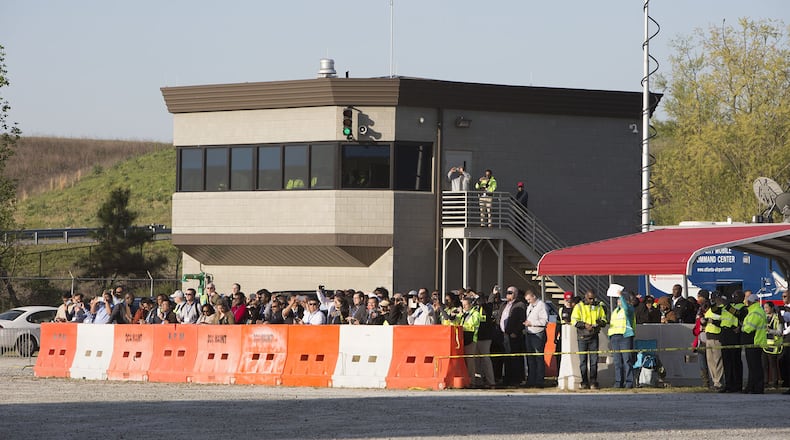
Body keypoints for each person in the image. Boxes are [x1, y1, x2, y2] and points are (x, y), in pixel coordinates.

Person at [571, 289, 607, 390]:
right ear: (586, 296)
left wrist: (599, 322)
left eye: (593, 298)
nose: (592, 300)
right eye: (590, 298)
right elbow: (574, 321)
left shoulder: (598, 306)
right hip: (582, 336)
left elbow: (604, 320)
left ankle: (593, 381)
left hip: (594, 335)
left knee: (594, 361)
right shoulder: (579, 306)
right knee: (583, 361)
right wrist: (584, 325)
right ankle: (584, 382)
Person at [608, 286, 636, 389]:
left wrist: (621, 295)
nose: (619, 301)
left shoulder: (629, 309)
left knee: (627, 360)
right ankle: (618, 382)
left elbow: (626, 307)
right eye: (618, 299)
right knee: (617, 361)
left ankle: (629, 382)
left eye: (620, 299)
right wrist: (610, 336)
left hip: (625, 336)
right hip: (615, 337)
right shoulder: (615, 311)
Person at [498, 286, 525, 387]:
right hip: (503, 334)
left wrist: (516, 332)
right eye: (507, 292)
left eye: (511, 292)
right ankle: (507, 378)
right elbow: (500, 317)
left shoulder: (520, 305)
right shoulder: (504, 305)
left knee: (514, 358)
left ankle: (516, 379)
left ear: (516, 294)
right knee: (506, 358)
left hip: (513, 335)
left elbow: (521, 320)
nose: (508, 294)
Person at [720, 290, 746, 393]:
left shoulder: (743, 307)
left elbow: (739, 315)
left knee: (735, 361)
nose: (734, 297)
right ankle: (728, 384)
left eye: (736, 296)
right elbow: (719, 314)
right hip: (725, 334)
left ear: (742, 297)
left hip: (734, 334)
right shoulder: (728, 306)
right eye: (733, 295)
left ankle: (737, 385)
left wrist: (727, 306)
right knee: (726, 361)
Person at [741, 292, 767, 394]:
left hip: (755, 341)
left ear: (750, 302)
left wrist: (742, 327)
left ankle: (757, 388)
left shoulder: (755, 312)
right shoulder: (756, 311)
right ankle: (751, 387)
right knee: (752, 366)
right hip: (755, 341)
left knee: (755, 367)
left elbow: (749, 328)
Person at [523, 289, 548, 388]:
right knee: (530, 358)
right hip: (529, 333)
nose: (528, 301)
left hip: (538, 334)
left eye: (529, 299)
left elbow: (544, 321)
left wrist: (532, 323)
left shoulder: (541, 305)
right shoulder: (530, 306)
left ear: (533, 296)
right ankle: (531, 379)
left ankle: (539, 380)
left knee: (538, 357)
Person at [702, 291, 725, 391]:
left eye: (715, 298)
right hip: (709, 336)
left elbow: (722, 321)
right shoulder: (711, 309)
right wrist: (704, 322)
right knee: (710, 361)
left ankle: (718, 382)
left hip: (717, 336)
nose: (713, 300)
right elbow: (706, 320)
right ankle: (715, 380)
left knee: (718, 361)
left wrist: (712, 321)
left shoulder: (723, 309)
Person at [692, 290, 712, 388]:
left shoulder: (709, 307)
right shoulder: (700, 308)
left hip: (708, 338)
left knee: (711, 362)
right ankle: (705, 383)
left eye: (699, 297)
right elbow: (698, 324)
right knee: (702, 362)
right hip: (700, 339)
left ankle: (715, 382)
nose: (697, 299)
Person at [762, 302, 782, 389]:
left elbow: (779, 332)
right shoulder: (763, 318)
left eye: (767, 307)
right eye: (764, 307)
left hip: (773, 345)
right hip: (764, 345)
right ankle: (765, 382)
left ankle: (775, 382)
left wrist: (769, 330)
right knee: (764, 365)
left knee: (773, 365)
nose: (765, 309)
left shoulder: (778, 318)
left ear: (772, 308)